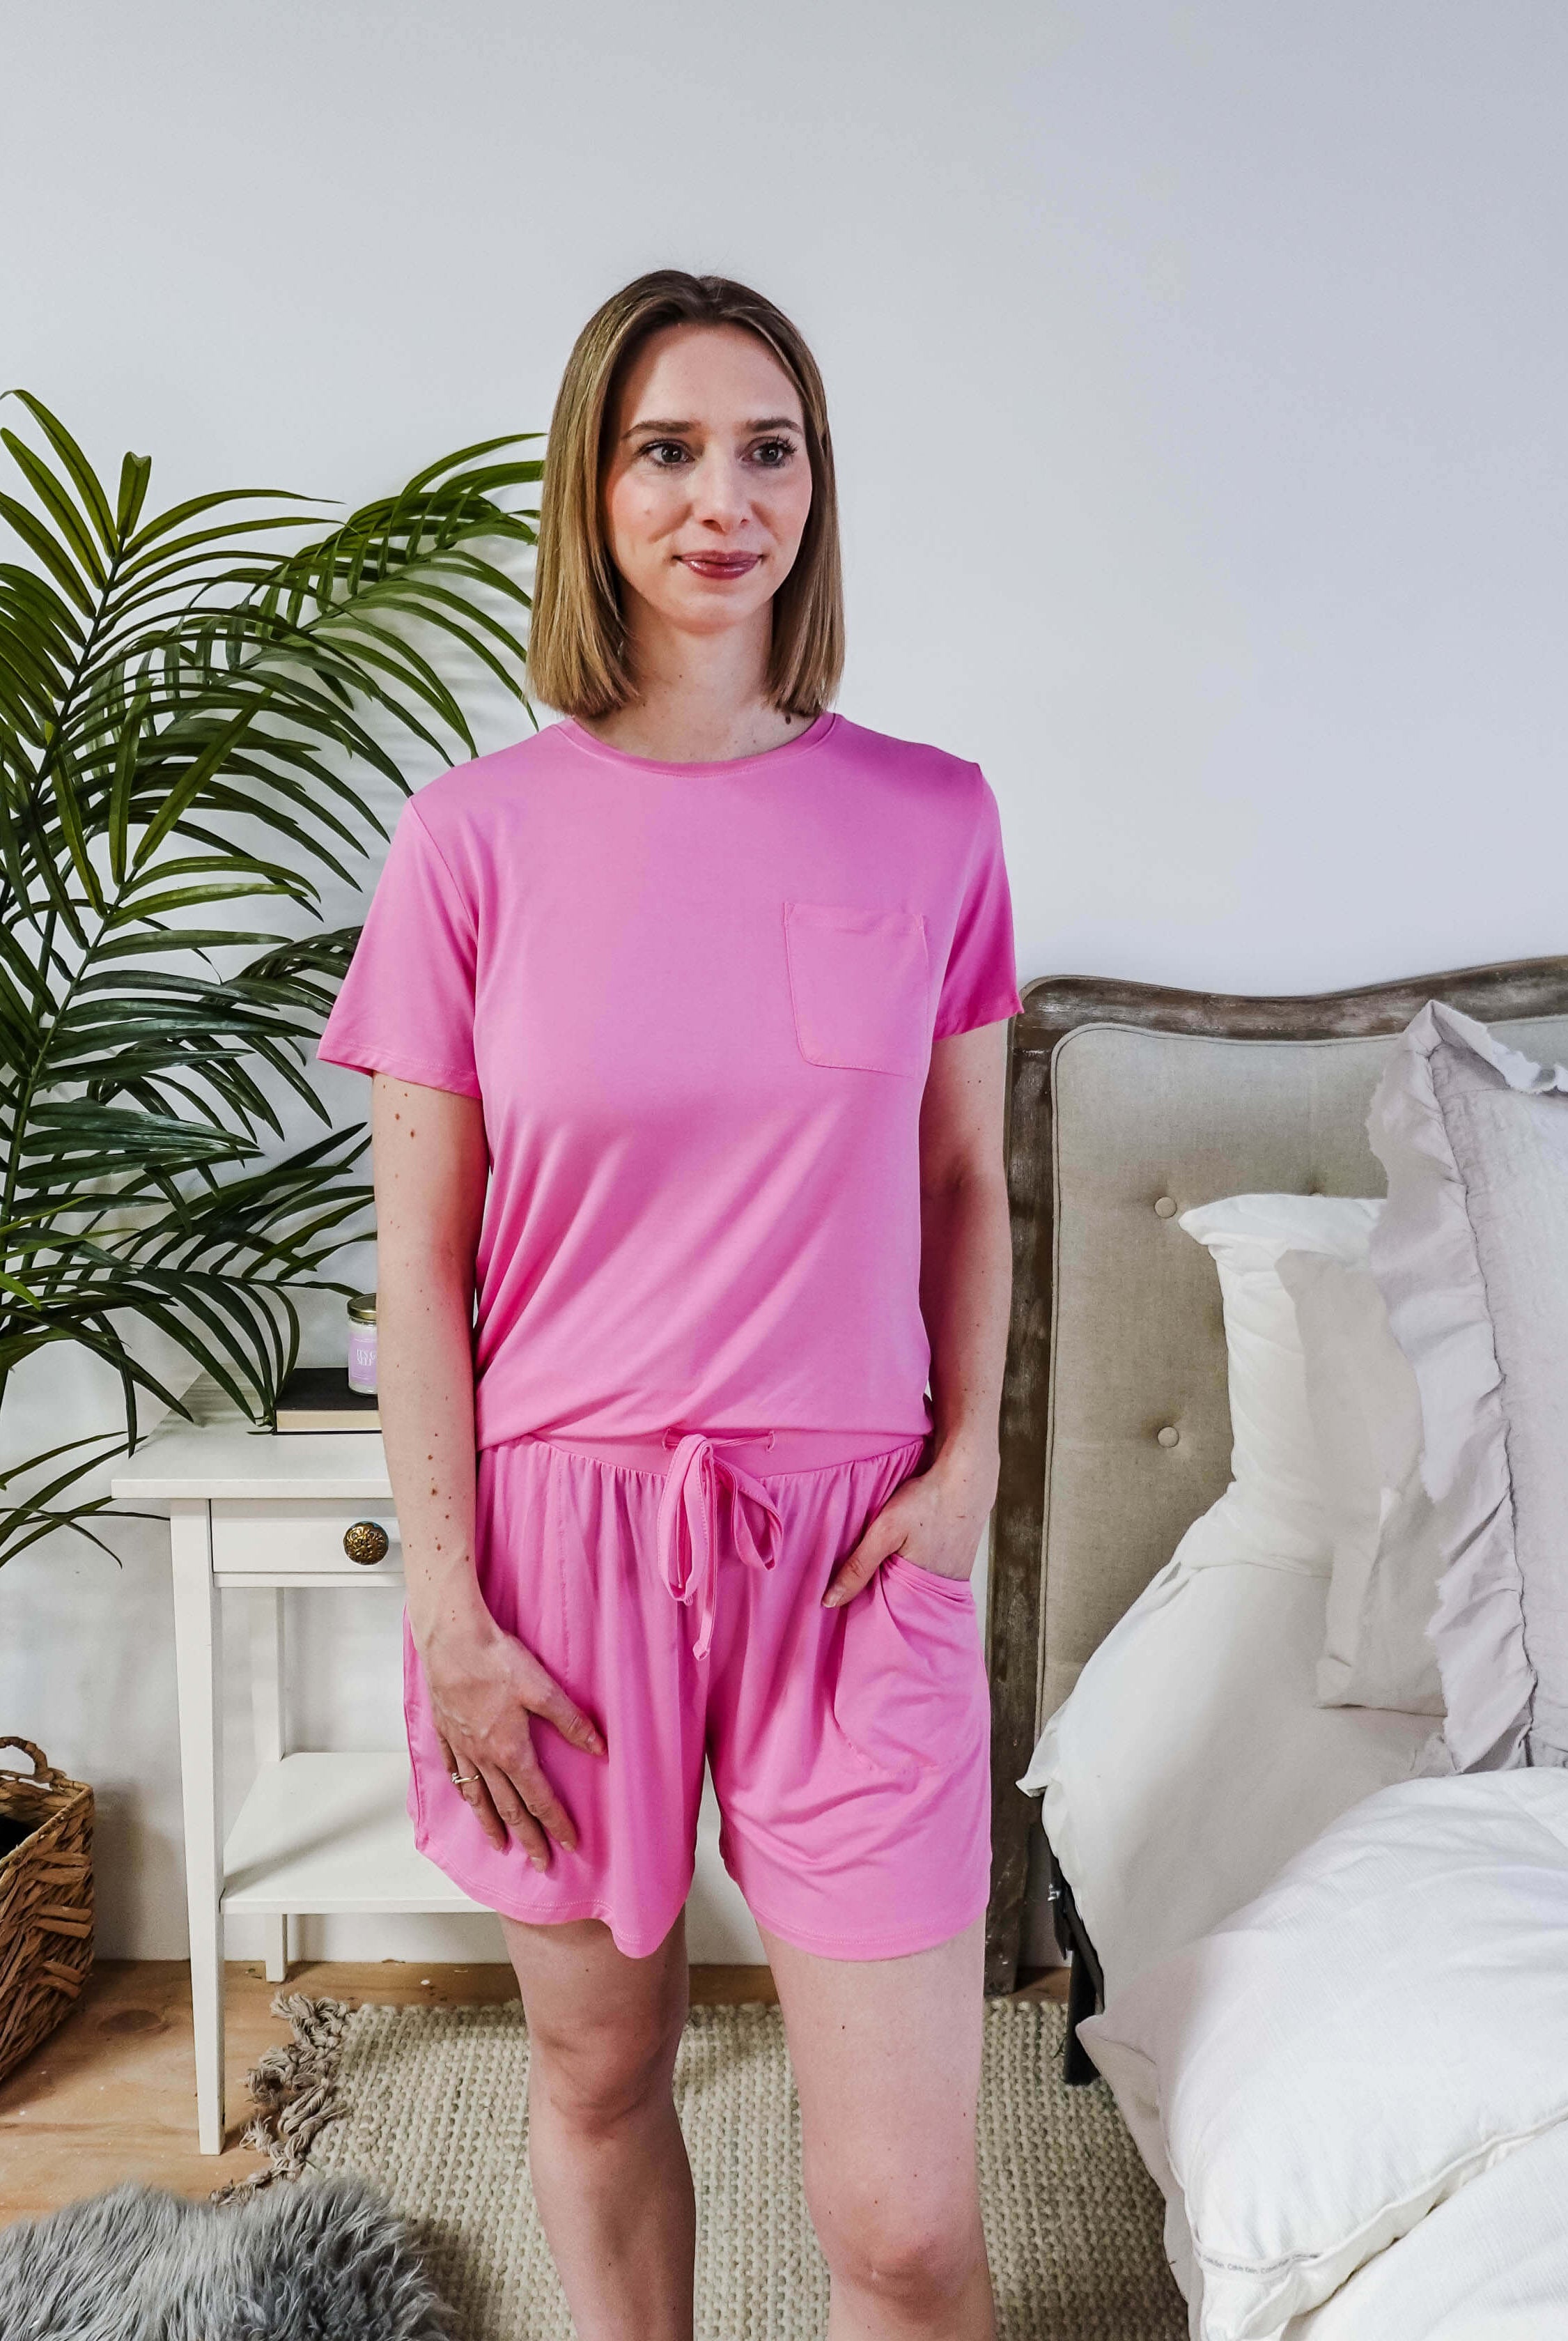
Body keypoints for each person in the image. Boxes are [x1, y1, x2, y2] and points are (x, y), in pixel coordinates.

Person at [318, 268, 1020, 2341]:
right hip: (555, 1559)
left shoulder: (932, 816)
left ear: (815, 486)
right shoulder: (469, 842)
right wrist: (449, 1615)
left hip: (855, 1547)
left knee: (899, 2219)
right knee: (601, 2073)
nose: (724, 496)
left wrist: (969, 1463)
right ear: (592, 489)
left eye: (767, 447)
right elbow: (420, 1267)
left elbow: (967, 1179)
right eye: (667, 448)